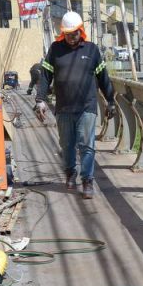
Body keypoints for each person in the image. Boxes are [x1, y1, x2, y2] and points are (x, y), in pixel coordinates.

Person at [35, 12, 116, 199]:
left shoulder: (92, 50)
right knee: (67, 144)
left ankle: (87, 180)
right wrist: (40, 100)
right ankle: (70, 172)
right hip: (63, 108)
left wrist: (110, 101)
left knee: (87, 145)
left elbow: (103, 78)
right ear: (63, 33)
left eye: (75, 33)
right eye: (68, 34)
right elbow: (45, 77)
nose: (72, 37)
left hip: (87, 106)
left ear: (81, 31)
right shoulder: (55, 49)